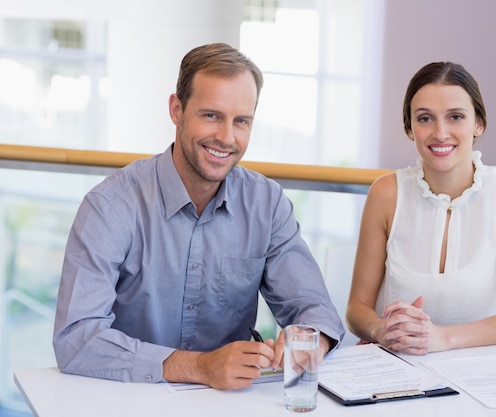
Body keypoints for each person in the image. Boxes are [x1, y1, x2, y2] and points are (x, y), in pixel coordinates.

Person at [53, 43, 345, 389]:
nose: (226, 137)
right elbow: (76, 339)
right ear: (177, 110)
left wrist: (307, 337)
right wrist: (199, 367)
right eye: (211, 115)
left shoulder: (267, 204)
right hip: (129, 398)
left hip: (231, 403)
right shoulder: (110, 206)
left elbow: (314, 307)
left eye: (241, 121)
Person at [345, 62, 496, 354]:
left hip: (482, 373)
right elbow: (356, 309)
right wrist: (382, 330)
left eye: (455, 117)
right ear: (409, 128)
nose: (440, 133)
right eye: (425, 118)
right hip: (400, 369)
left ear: (479, 123)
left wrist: (442, 338)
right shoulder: (385, 193)